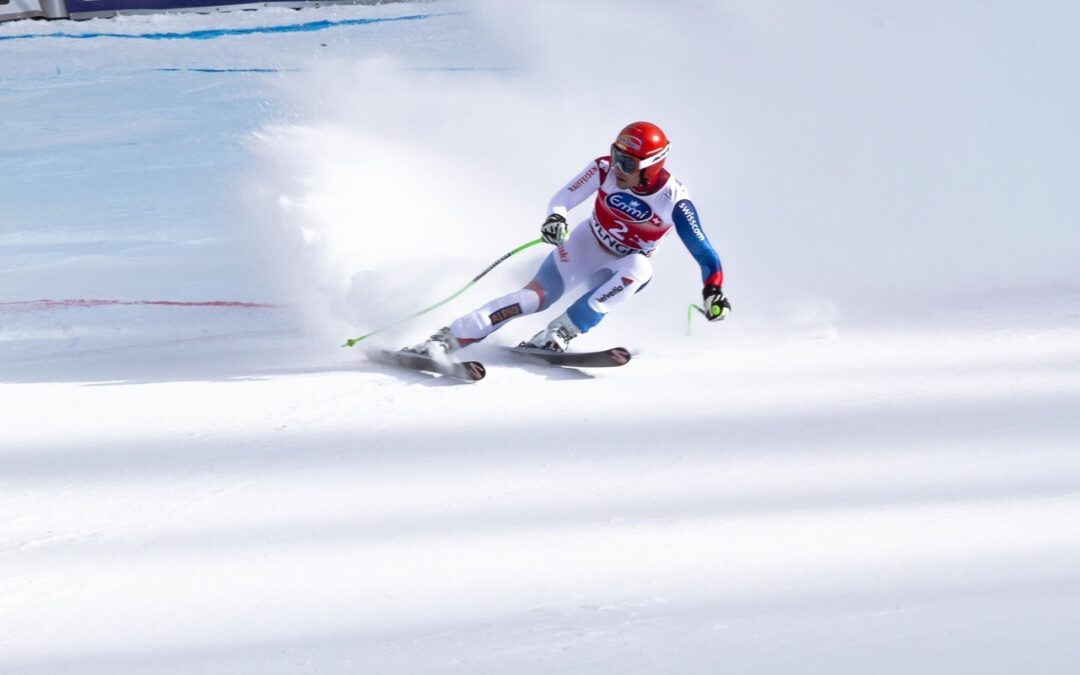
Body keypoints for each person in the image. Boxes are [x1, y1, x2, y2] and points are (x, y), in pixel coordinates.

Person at [406, 121, 729, 357]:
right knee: (533, 299)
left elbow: (705, 253)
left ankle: (560, 332)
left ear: (651, 167)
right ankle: (446, 340)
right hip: (586, 244)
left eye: (627, 163)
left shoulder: (674, 200)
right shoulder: (603, 169)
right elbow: (563, 198)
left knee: (641, 269)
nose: (617, 167)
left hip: (622, 265)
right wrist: (555, 218)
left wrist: (712, 291)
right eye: (615, 155)